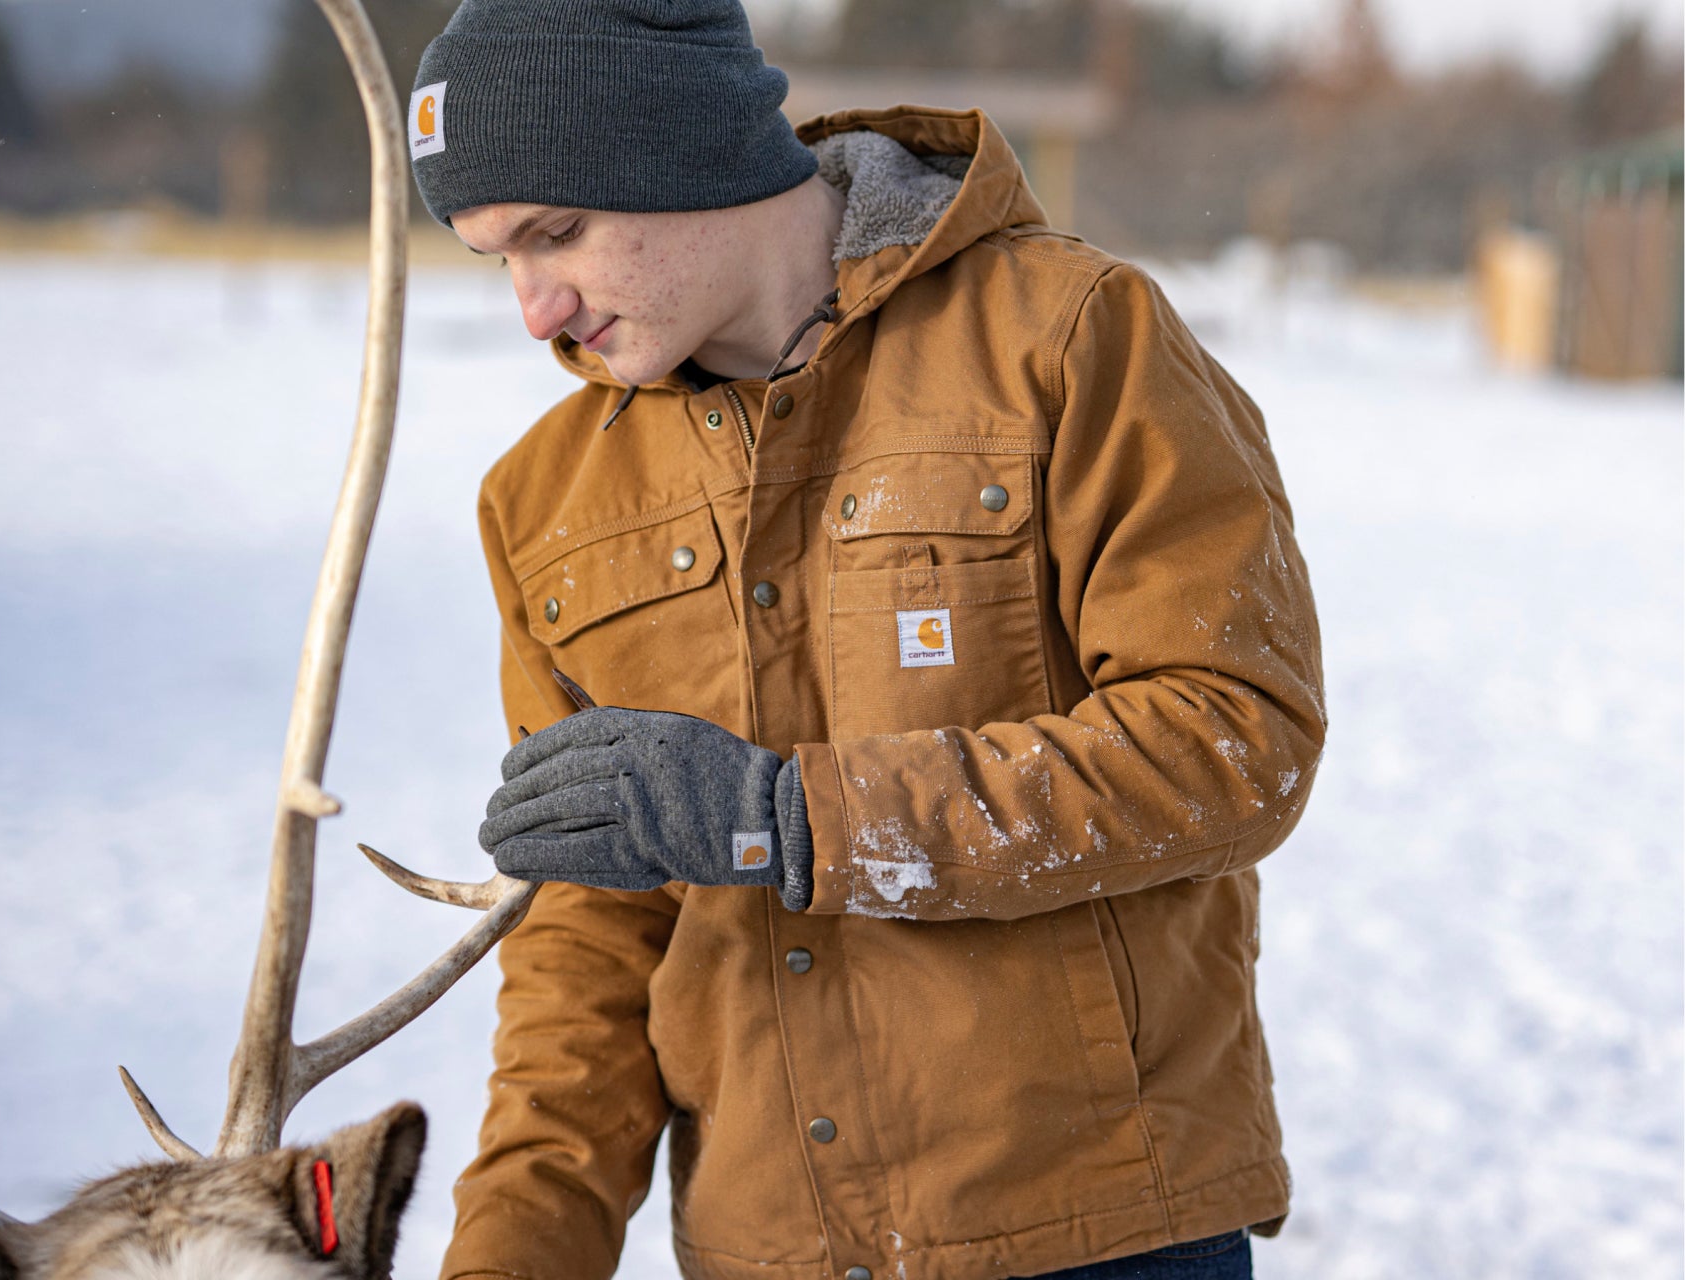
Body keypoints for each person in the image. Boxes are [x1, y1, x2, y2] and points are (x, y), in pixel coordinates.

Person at [407, 3, 1326, 1278]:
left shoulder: (1064, 341)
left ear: (690, 151)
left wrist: (793, 818)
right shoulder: (547, 501)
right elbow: (587, 940)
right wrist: (510, 1255)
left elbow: (1234, 741)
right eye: (491, 258)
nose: (533, 306)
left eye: (554, 233)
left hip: (1091, 1233)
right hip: (764, 1246)